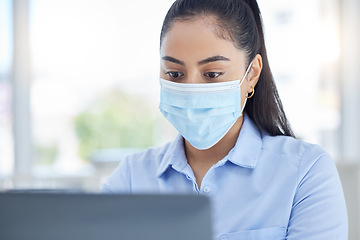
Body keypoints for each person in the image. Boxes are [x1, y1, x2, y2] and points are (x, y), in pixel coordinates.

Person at [102, 0, 348, 239]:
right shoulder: (131, 178)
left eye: (212, 74)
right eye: (175, 74)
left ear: (251, 74)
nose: (191, 89)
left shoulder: (305, 173)